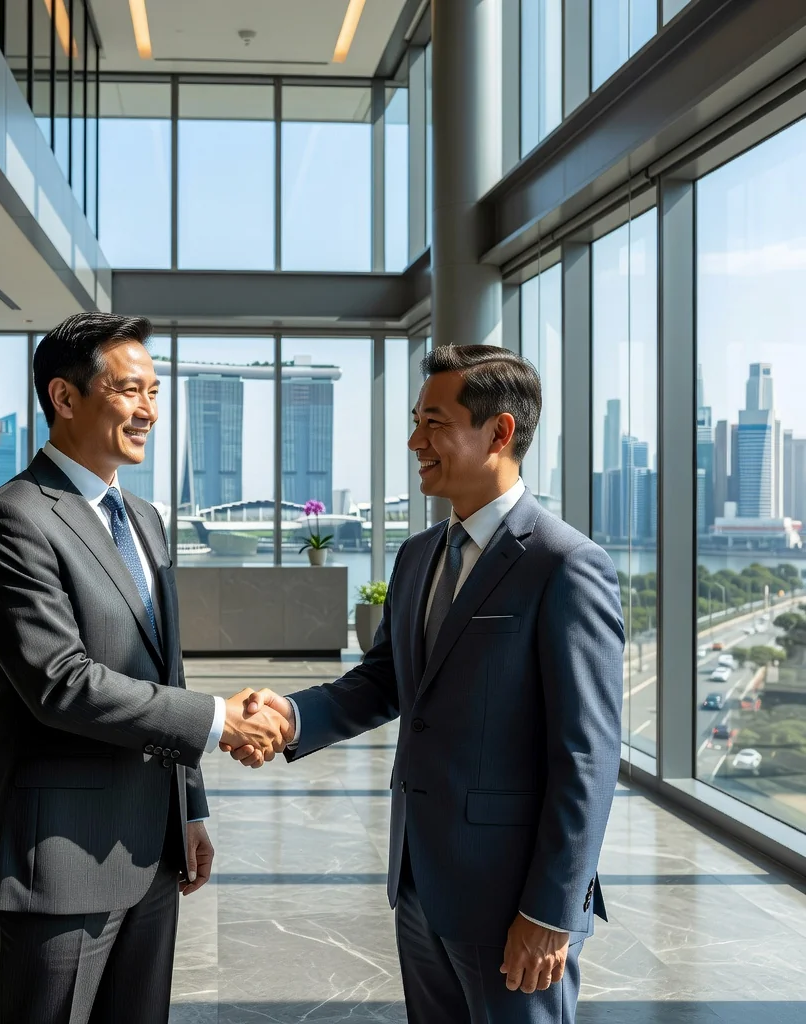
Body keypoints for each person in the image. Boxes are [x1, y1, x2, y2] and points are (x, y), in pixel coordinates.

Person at [227, 345, 624, 1024]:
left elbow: (587, 757)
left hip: (514, 902)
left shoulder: (566, 564)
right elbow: (386, 681)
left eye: (433, 423)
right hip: (419, 882)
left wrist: (550, 911)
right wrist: (289, 715)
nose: (415, 441)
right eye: (416, 421)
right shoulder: (417, 558)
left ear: (499, 432)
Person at [0, 312, 291, 1024]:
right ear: (65, 397)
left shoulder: (143, 518)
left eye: (155, 391)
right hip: (60, 861)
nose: (148, 410)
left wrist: (191, 809)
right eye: (129, 390)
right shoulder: (12, 520)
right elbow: (59, 682)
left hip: (152, 855)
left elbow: (165, 668)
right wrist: (216, 719)